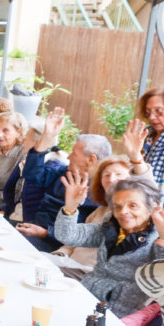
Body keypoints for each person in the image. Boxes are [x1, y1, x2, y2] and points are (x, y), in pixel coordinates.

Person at [54, 174, 164, 316]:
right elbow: (68, 235)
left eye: (133, 205)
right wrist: (70, 207)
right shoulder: (111, 225)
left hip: (119, 314)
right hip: (85, 296)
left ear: (152, 208)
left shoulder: (158, 237)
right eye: (117, 207)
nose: (123, 212)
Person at [13, 108, 112, 252]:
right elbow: (32, 174)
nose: (69, 157)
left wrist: (46, 233)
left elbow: (84, 232)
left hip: (54, 243)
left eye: (74, 153)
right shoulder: (64, 172)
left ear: (91, 159)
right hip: (30, 228)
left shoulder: (102, 192)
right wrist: (46, 137)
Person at [50, 154, 148, 277]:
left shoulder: (135, 218)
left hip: (89, 275)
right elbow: (70, 240)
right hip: (67, 265)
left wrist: (136, 155)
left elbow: (148, 188)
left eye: (118, 174)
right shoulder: (100, 211)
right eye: (106, 175)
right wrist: (59, 254)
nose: (111, 179)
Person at [136, 85, 164, 194]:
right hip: (140, 198)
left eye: (158, 111)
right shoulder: (147, 134)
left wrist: (135, 156)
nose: (151, 117)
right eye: (148, 112)